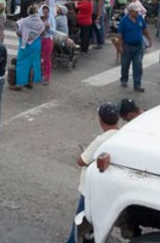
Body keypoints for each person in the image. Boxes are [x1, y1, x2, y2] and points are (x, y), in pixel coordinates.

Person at [66, 103, 120, 243]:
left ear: (101, 120)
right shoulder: (120, 134)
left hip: (91, 187)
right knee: (97, 220)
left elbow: (81, 161)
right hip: (108, 186)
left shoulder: (101, 140)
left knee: (81, 220)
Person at [118, 3, 152, 93]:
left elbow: (144, 30)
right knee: (125, 64)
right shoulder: (123, 21)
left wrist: (149, 39)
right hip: (127, 46)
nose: (137, 13)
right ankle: (124, 79)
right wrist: (120, 46)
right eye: (136, 11)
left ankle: (137, 84)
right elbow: (120, 35)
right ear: (130, 11)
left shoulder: (140, 19)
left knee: (138, 65)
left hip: (138, 46)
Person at [13, 5, 44, 89]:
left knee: (21, 63)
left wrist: (24, 34)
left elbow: (19, 33)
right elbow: (43, 34)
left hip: (25, 44)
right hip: (36, 44)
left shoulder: (24, 21)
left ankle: (19, 84)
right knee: (32, 63)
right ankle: (29, 82)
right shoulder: (41, 23)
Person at [39, 4, 55, 85]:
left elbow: (53, 31)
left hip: (47, 39)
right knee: (37, 57)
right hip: (38, 39)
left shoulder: (51, 18)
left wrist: (48, 28)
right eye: (43, 9)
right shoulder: (38, 18)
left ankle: (46, 77)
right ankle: (38, 74)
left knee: (46, 58)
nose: (45, 11)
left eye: (46, 9)